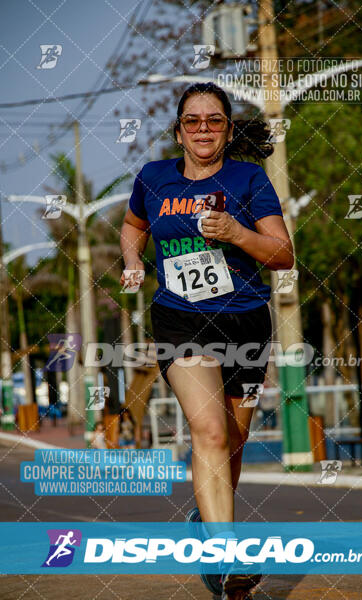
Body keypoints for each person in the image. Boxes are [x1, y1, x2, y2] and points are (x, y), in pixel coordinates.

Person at [120, 82, 293, 599]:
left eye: (213, 120)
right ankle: (227, 556)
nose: (202, 129)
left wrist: (236, 233)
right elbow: (133, 228)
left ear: (228, 129)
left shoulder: (249, 178)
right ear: (178, 131)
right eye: (192, 121)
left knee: (232, 442)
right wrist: (132, 261)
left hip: (244, 322)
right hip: (180, 320)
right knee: (211, 433)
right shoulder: (152, 178)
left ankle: (209, 522)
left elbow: (282, 254)